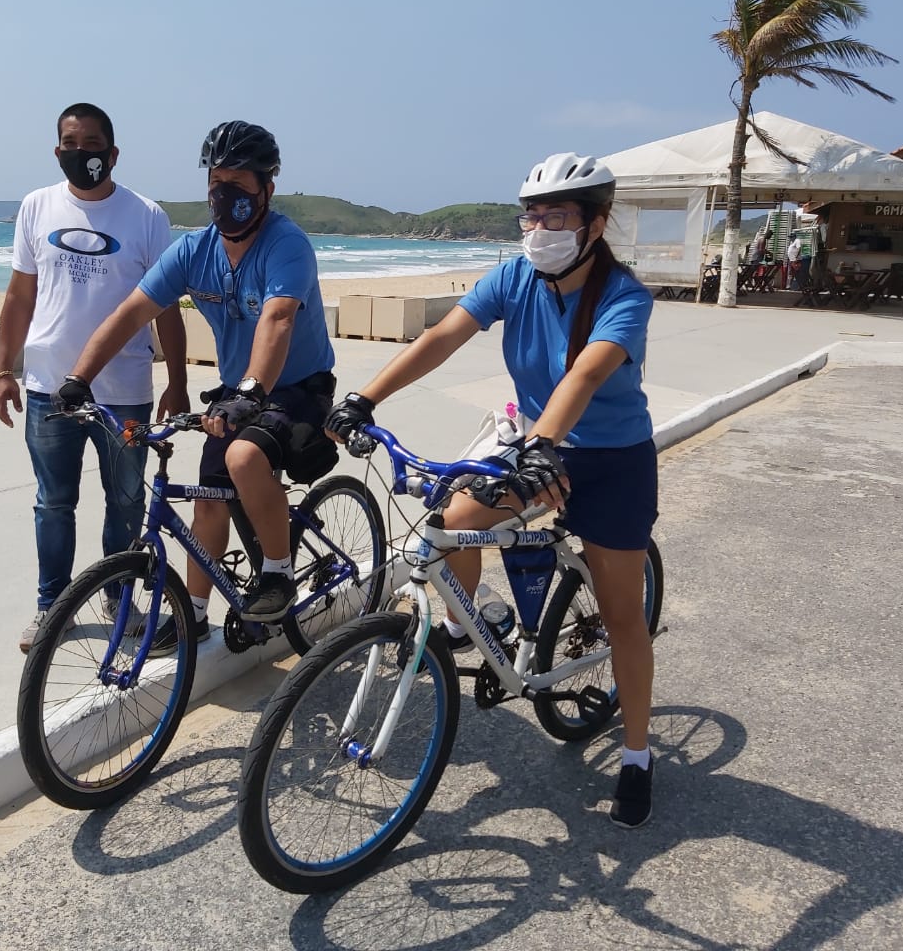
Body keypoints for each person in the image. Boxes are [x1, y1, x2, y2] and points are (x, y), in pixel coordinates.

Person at [325, 152, 660, 829]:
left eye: (557, 215)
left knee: (623, 614)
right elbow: (443, 335)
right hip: (536, 444)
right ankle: (467, 622)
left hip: (611, 459)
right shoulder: (514, 277)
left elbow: (587, 375)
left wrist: (545, 444)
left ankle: (637, 754)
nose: (539, 228)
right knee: (453, 518)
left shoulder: (625, 296)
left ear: (595, 224)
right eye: (532, 214)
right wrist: (364, 398)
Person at [56, 120, 338, 654]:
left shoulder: (288, 245)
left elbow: (277, 320)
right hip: (238, 392)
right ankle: (195, 617)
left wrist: (253, 392)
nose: (224, 195)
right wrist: (78, 379)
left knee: (243, 460)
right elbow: (131, 312)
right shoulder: (195, 251)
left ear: (266, 190)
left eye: (239, 185)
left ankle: (277, 572)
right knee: (209, 502)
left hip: (296, 385)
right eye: (216, 184)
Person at [0, 102, 186, 654]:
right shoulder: (36, 207)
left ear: (113, 152)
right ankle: (51, 606)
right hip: (49, 384)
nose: (82, 154)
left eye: (93, 144)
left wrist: (176, 380)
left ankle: (119, 598)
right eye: (71, 144)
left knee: (125, 501)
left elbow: (166, 305)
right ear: (57, 151)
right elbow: (20, 295)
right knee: (53, 501)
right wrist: (4, 371)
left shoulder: (146, 215)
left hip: (124, 391)